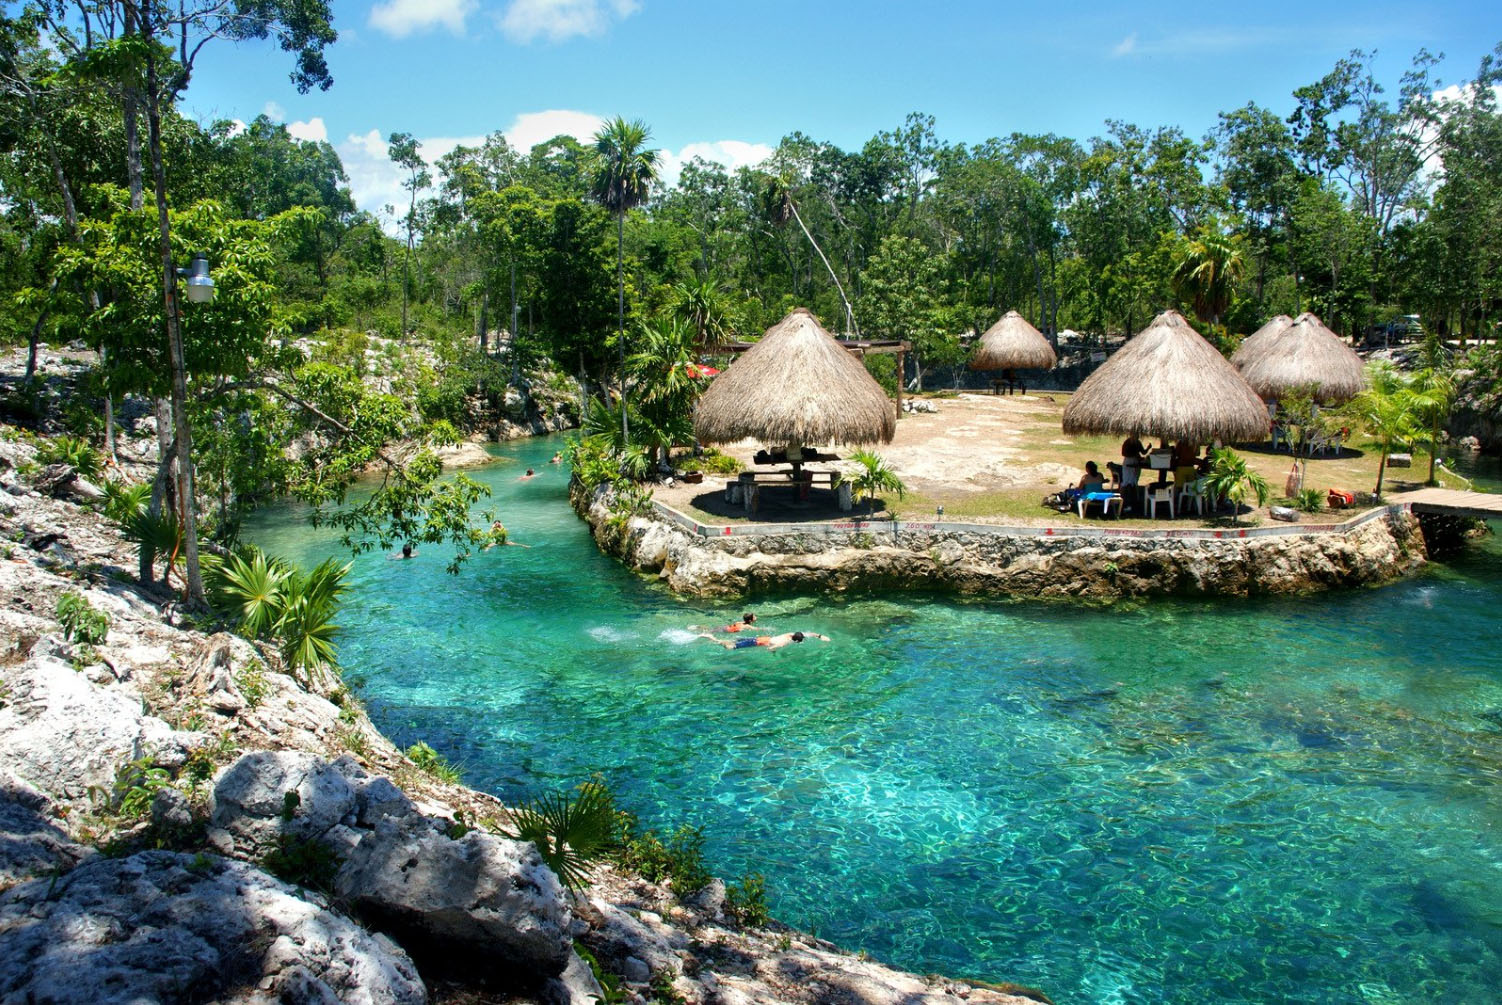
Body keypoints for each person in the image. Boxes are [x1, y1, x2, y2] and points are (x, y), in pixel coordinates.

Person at [700, 631, 830, 651]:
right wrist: (775, 653)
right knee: (730, 647)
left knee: (733, 640)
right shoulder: (784, 643)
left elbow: (807, 633)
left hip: (762, 638)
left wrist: (819, 636)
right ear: (797, 641)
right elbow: (770, 649)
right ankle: (712, 638)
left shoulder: (790, 634)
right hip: (757, 643)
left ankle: (714, 637)